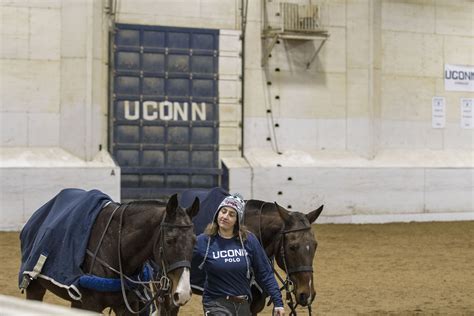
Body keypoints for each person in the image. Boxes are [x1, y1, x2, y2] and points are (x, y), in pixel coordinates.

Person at [193, 194, 285, 316]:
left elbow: (265, 272)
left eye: (231, 214)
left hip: (243, 305)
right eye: (223, 211)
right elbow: (179, 260)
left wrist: (278, 303)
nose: (225, 216)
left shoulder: (249, 240)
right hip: (215, 304)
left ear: (238, 220)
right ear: (217, 214)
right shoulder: (203, 241)